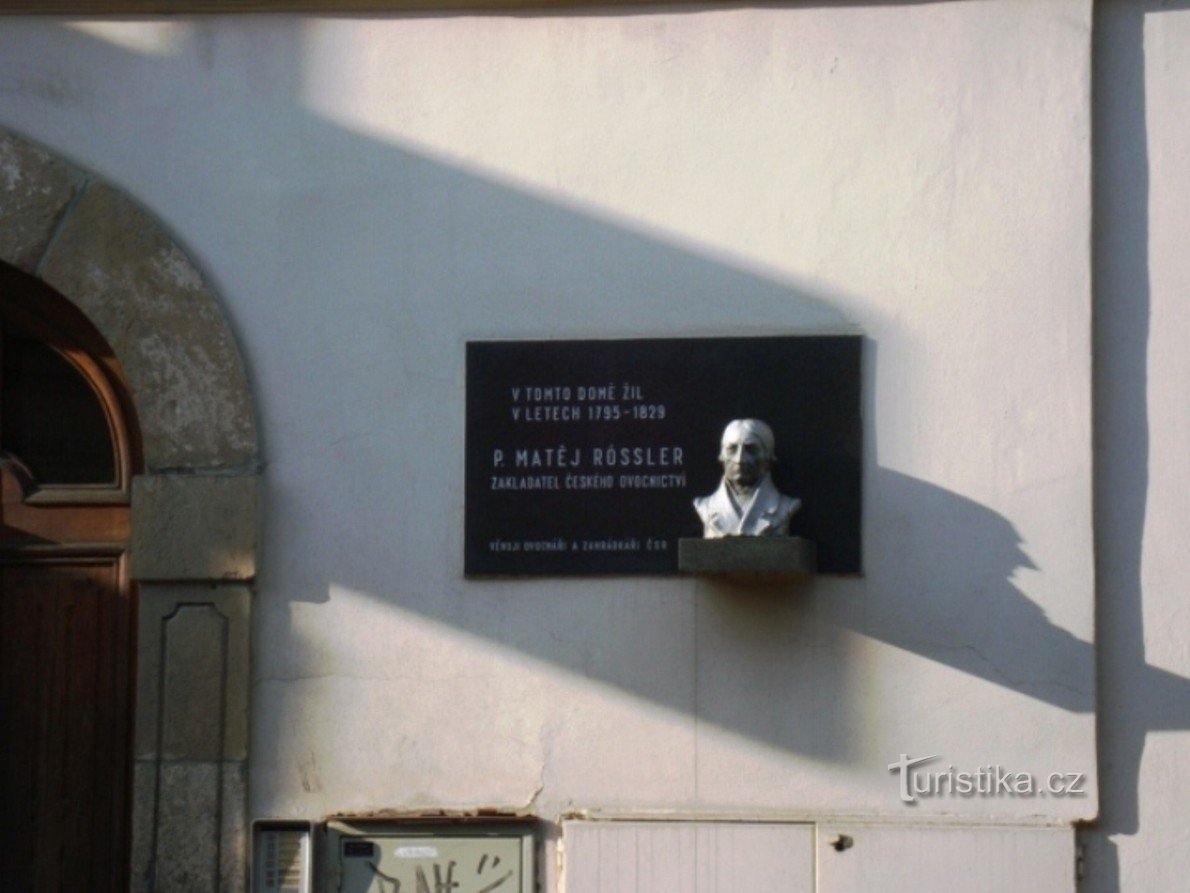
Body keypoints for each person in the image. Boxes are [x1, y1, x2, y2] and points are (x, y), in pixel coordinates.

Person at [694, 419, 801, 537]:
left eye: (751, 449)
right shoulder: (705, 506)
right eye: (732, 449)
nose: (740, 459)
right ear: (721, 456)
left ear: (769, 457)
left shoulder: (785, 507)